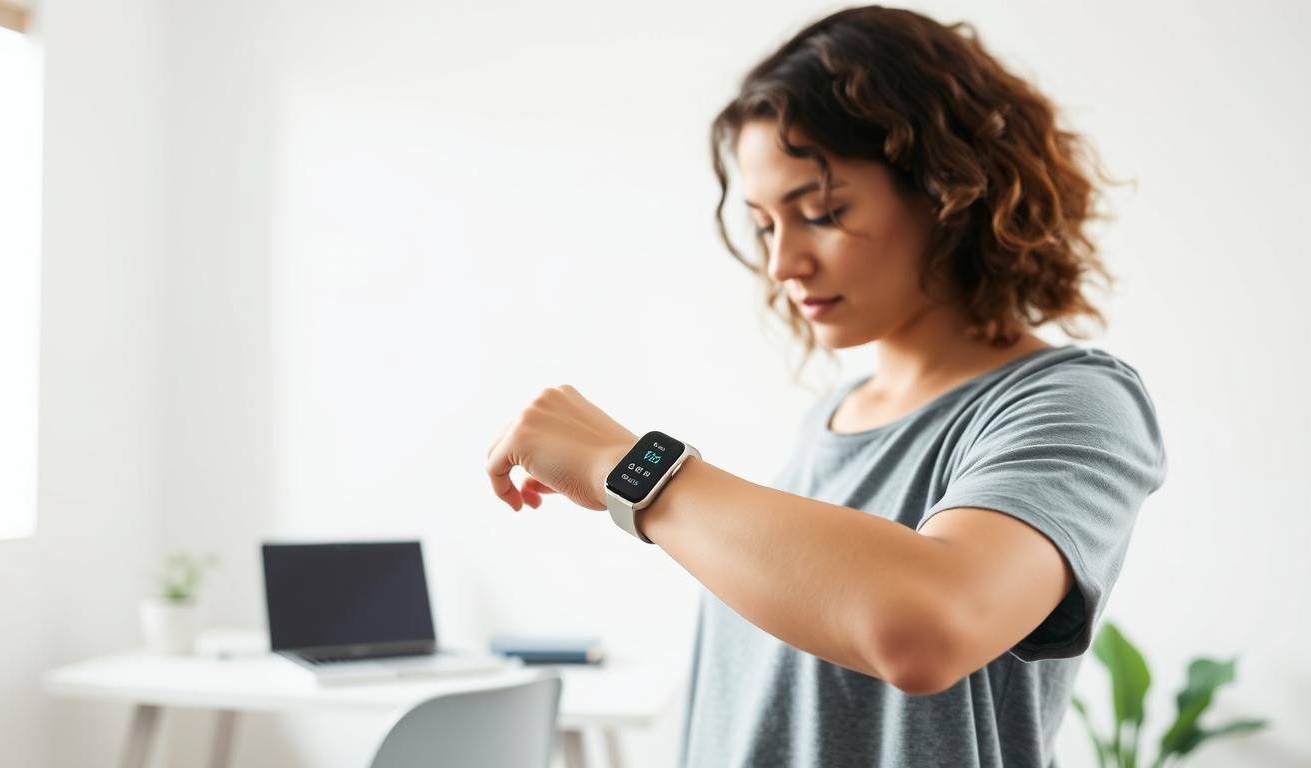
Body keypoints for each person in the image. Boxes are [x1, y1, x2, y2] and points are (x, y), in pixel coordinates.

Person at [484, 6, 1167, 767]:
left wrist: (628, 466)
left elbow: (927, 628)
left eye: (822, 212)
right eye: (765, 225)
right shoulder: (829, 422)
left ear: (949, 190)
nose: (783, 264)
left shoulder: (1074, 403)